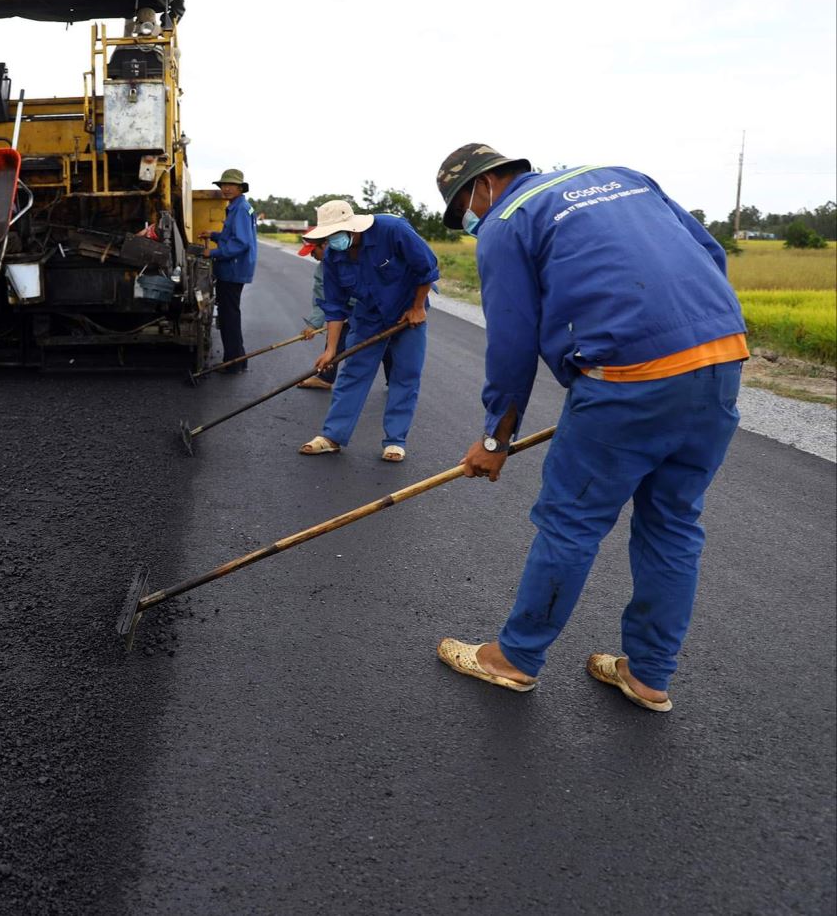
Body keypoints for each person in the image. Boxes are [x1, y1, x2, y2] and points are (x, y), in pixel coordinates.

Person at [432, 144, 747, 713]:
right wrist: (688, 342)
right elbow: (710, 253)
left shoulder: (507, 221)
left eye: (464, 210)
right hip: (720, 356)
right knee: (673, 523)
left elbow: (511, 344)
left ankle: (514, 659)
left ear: (481, 186)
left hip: (628, 378)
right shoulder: (621, 174)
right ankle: (648, 674)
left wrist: (494, 440)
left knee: (571, 522)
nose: (470, 222)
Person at [297, 201, 437, 461]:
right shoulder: (333, 256)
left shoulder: (393, 230)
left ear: (353, 227)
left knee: (405, 374)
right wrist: (330, 350)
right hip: (369, 316)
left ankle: (395, 440)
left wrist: (418, 307)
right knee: (353, 373)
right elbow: (336, 307)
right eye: (328, 236)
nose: (332, 240)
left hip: (408, 313)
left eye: (336, 234)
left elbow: (427, 266)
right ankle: (332, 436)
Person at [296, 238, 393, 392]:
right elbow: (323, 298)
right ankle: (324, 378)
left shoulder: (358, 252)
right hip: (345, 310)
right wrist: (313, 324)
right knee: (334, 340)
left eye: (313, 251)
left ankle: (394, 381)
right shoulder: (323, 269)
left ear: (324, 245)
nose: (312, 256)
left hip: (374, 307)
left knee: (385, 344)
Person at [199, 169, 258, 373]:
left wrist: (213, 253)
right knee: (230, 315)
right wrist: (214, 234)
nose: (225, 188)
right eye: (223, 185)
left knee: (229, 317)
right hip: (234, 268)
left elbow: (241, 243)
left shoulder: (240, 208)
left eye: (230, 185)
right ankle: (238, 360)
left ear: (240, 188)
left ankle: (232, 364)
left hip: (233, 270)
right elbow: (232, 236)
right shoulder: (237, 206)